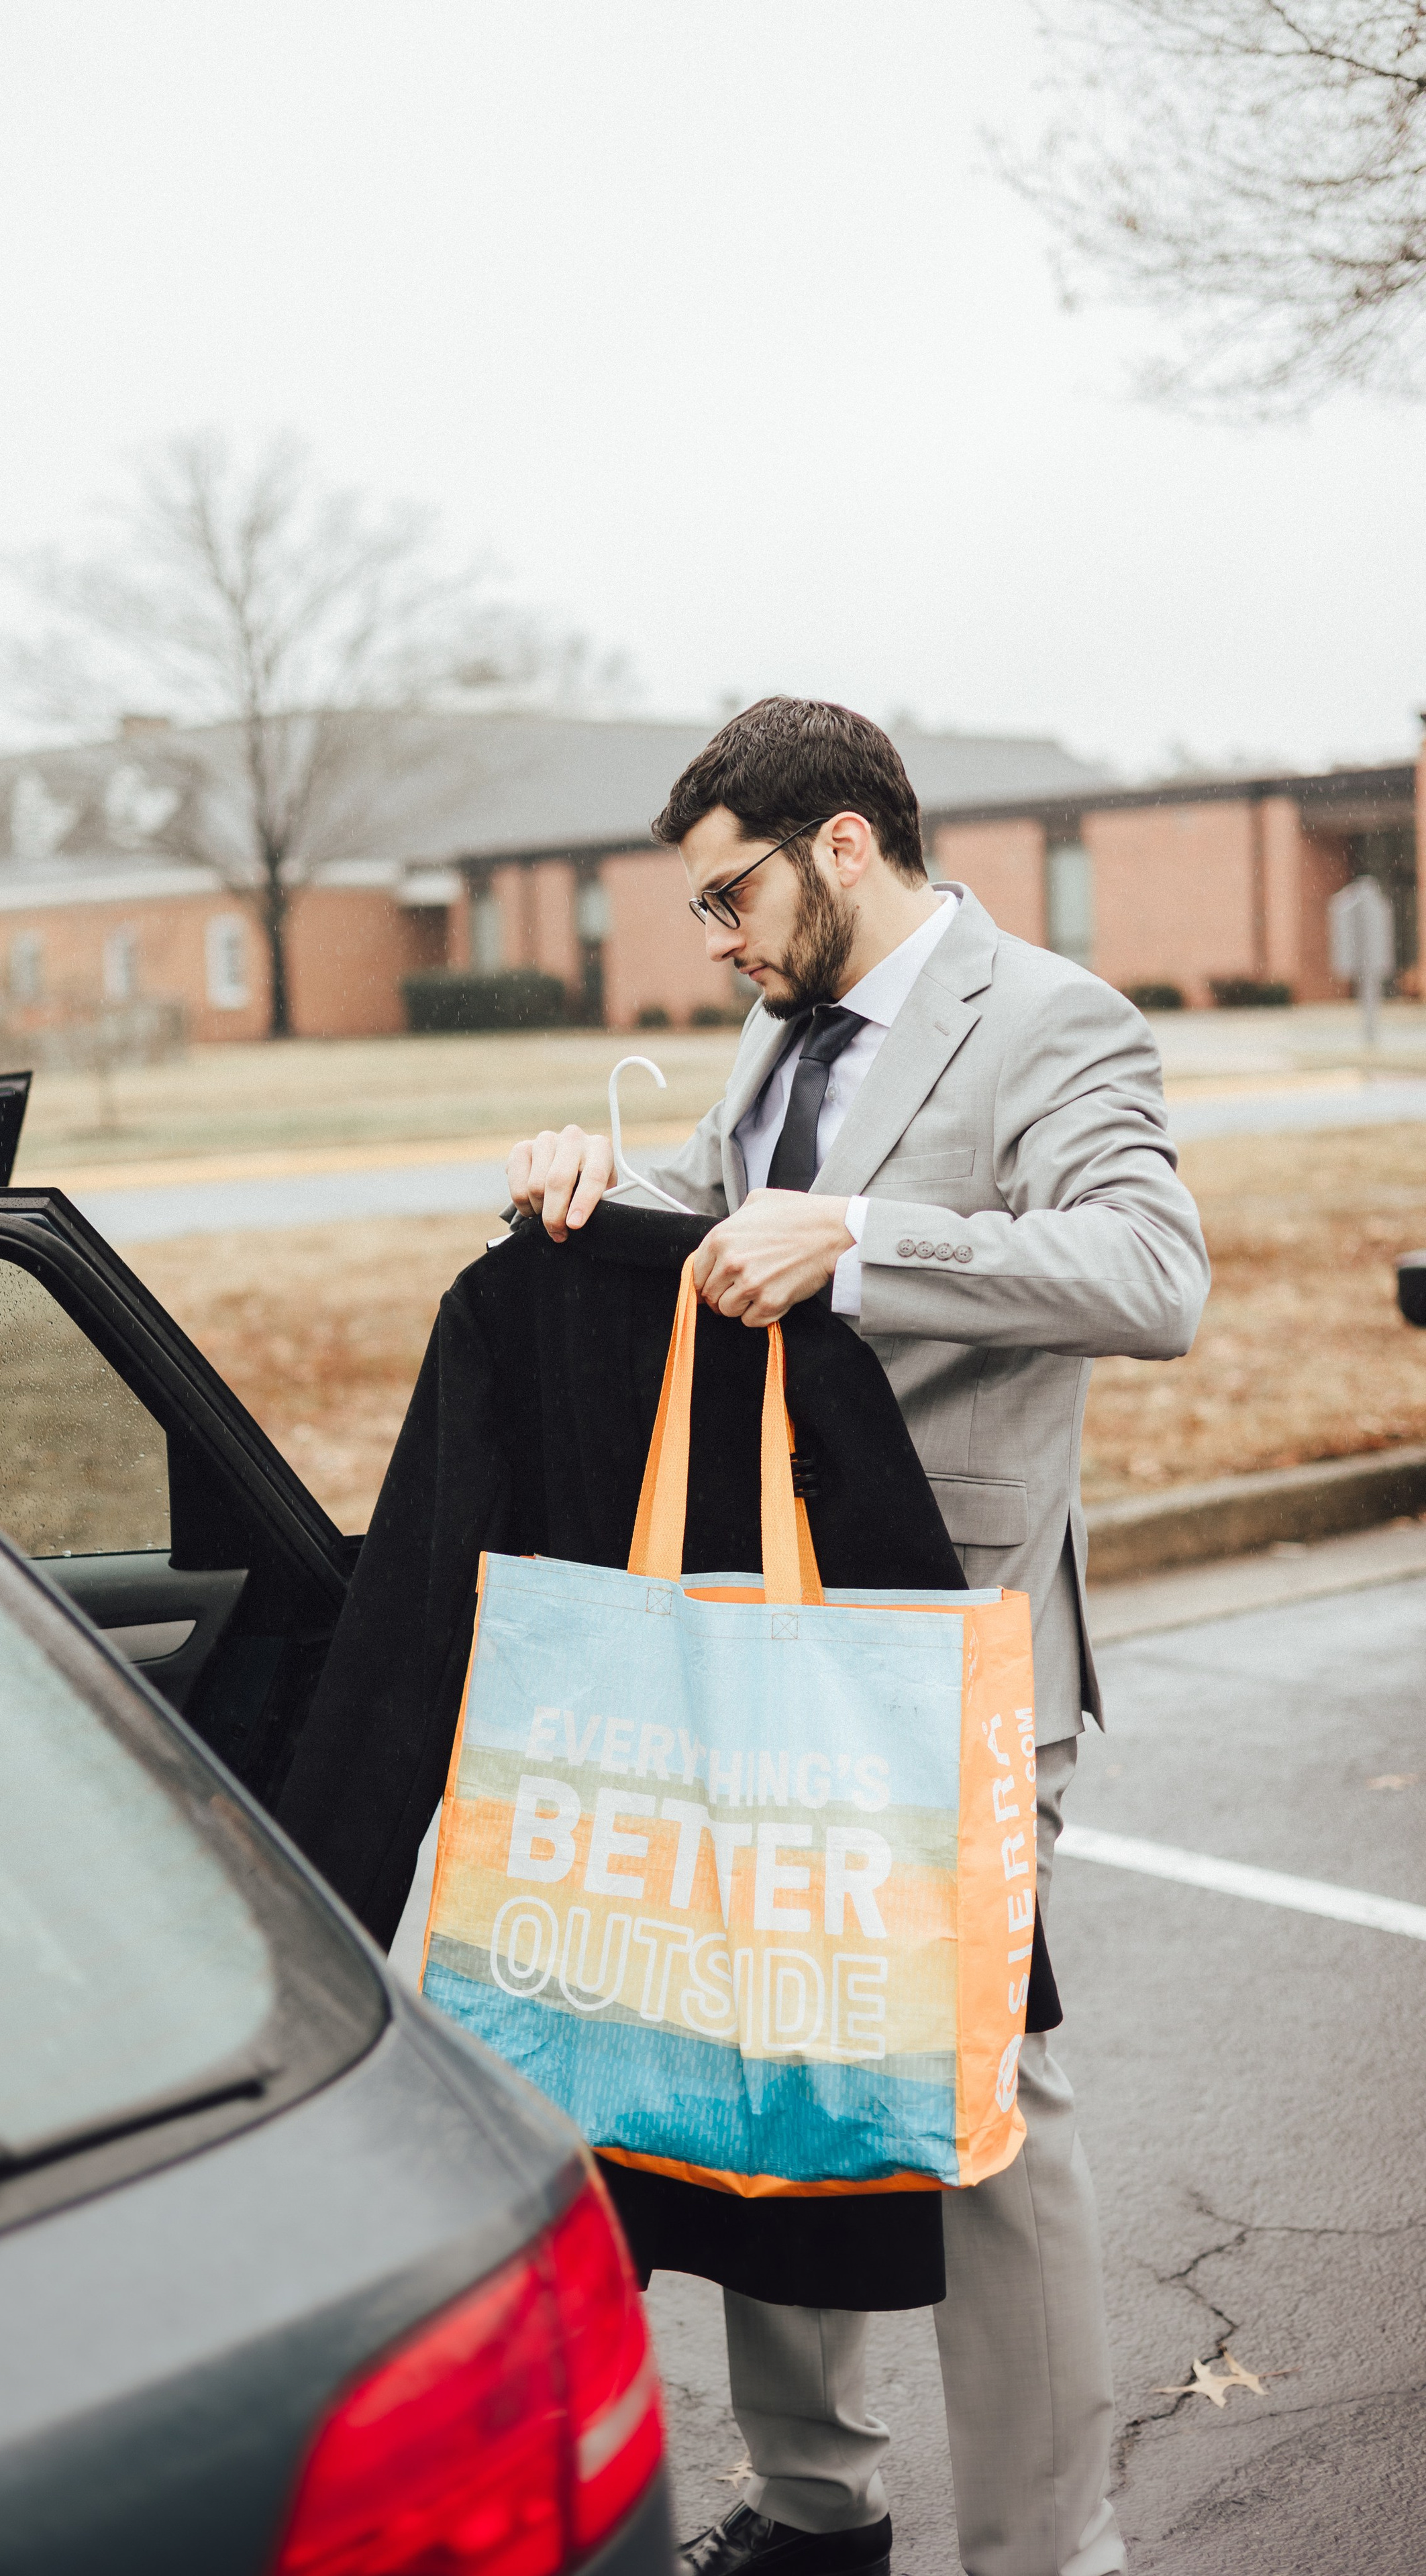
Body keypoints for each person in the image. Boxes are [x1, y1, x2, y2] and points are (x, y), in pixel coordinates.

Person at [506, 698, 1209, 2576]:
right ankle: (817, 2504)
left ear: (840, 845)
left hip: (953, 1644)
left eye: (726, 895)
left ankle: (1050, 2550)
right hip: (765, 1631)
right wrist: (604, 1183)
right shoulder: (779, 1030)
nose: (714, 941)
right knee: (782, 2055)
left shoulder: (1052, 1018)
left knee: (983, 2096)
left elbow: (1154, 1275)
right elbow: (730, 1225)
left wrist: (864, 1240)